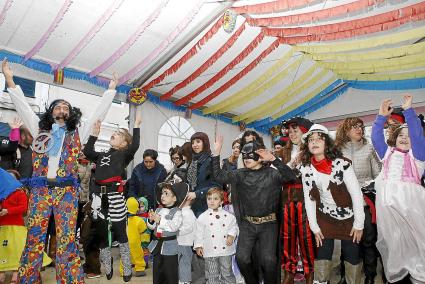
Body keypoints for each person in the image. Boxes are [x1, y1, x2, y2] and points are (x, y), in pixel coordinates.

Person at [2, 59, 119, 283]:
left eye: (66, 107)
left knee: (66, 239)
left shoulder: (79, 132)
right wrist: (9, 79)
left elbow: (97, 114)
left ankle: (69, 279)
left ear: (71, 113)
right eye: (58, 106)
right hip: (40, 191)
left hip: (67, 192)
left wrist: (111, 90)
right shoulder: (39, 129)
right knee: (34, 238)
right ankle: (29, 278)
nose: (63, 110)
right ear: (51, 112)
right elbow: (22, 106)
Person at [212, 135, 296, 284]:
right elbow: (219, 176)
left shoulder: (272, 173)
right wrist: (216, 153)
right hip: (248, 224)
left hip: (269, 224)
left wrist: (273, 159)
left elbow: (291, 176)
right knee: (242, 259)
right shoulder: (240, 174)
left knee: (269, 260)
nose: (246, 158)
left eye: (250, 155)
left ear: (259, 156)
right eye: (244, 155)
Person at [299, 124, 365, 284]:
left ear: (327, 144)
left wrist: (359, 224)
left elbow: (356, 194)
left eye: (319, 139)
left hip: (349, 216)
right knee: (322, 254)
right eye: (311, 140)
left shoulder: (342, 165)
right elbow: (310, 199)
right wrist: (314, 227)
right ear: (307, 146)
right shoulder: (306, 169)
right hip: (324, 216)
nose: (314, 142)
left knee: (352, 256)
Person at [83, 109, 141, 282]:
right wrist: (94, 134)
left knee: (120, 232)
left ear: (124, 144)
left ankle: (127, 266)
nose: (114, 134)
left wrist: (136, 127)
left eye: (118, 134)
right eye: (114, 133)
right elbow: (87, 152)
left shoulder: (124, 155)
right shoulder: (102, 155)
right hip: (99, 200)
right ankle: (107, 267)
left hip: (115, 197)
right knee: (102, 234)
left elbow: (135, 145)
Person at [371, 95, 425, 283]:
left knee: (418, 242)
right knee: (395, 245)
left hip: (412, 209)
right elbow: (376, 136)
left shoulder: (417, 156)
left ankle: (420, 276)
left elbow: (417, 135)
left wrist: (409, 111)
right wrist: (380, 117)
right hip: (389, 213)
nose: (405, 138)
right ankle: (398, 276)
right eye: (401, 135)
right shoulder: (387, 154)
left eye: (408, 136)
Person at [335, 117, 382, 284]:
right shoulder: (337, 151)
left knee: (369, 240)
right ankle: (345, 275)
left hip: (365, 201)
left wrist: (368, 187)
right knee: (348, 241)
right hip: (345, 203)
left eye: (360, 126)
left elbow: (379, 175)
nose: (359, 129)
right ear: (346, 130)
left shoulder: (369, 148)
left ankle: (370, 275)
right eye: (354, 127)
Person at [279, 117, 315, 284]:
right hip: (286, 199)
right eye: (290, 131)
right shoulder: (282, 152)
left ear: (305, 132)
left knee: (306, 238)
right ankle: (289, 272)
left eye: (296, 130)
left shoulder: (312, 151)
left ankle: (309, 273)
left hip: (306, 200)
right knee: (288, 238)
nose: (292, 133)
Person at [0, 169, 51, 284]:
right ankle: (2, 274)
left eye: (12, 178)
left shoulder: (20, 193)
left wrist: (8, 211)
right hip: (2, 227)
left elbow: (23, 208)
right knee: (3, 251)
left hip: (16, 226)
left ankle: (16, 273)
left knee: (17, 250)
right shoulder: (2, 194)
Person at [194, 187, 238, 284]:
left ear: (222, 201)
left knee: (227, 273)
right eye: (209, 199)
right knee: (211, 274)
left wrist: (231, 236)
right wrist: (198, 246)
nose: (212, 201)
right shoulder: (202, 217)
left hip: (225, 249)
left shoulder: (229, 216)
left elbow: (234, 227)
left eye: (215, 199)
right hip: (210, 250)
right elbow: (198, 233)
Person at [147, 182, 188, 284]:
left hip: (170, 248)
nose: (162, 196)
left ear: (174, 198)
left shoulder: (177, 212)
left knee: (170, 274)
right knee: (157, 273)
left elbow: (174, 227)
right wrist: (151, 220)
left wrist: (160, 220)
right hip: (157, 247)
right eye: (162, 193)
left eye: (166, 194)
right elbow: (152, 227)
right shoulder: (159, 209)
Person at [186, 132, 220, 217]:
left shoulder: (211, 161)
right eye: (192, 143)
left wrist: (197, 194)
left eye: (198, 141)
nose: (194, 145)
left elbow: (217, 186)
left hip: (206, 206)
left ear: (205, 143)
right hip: (192, 205)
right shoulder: (192, 162)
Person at [120, 197, 147, 277]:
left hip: (124, 242)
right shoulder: (139, 220)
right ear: (136, 208)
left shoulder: (122, 219)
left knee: (124, 256)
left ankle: (124, 271)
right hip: (135, 243)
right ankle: (140, 269)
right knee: (138, 255)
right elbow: (143, 230)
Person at [177, 196, 196, 284]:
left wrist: (176, 231)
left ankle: (184, 281)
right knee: (181, 262)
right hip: (181, 242)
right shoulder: (183, 212)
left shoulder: (187, 213)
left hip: (185, 242)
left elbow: (188, 228)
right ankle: (181, 279)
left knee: (184, 262)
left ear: (188, 200)